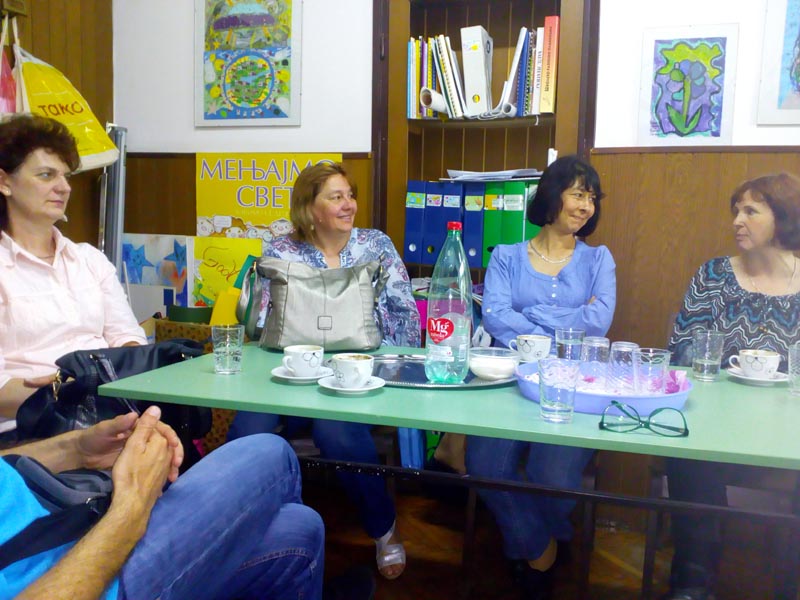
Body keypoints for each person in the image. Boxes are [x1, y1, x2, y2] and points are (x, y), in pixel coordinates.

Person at [228, 162, 420, 580]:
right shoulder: (280, 250)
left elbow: (405, 313)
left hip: (355, 377)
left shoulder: (375, 245)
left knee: (337, 433)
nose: (349, 205)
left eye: (350, 195)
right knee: (246, 431)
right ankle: (240, 536)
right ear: (309, 208)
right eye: (336, 197)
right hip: (288, 376)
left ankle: (383, 529)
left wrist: (383, 364)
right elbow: (258, 325)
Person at [466, 155, 616, 599]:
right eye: (577, 194)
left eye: (592, 198)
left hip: (576, 384)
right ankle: (541, 546)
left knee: (552, 474)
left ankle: (531, 543)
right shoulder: (507, 256)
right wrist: (567, 322)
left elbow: (599, 321)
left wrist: (532, 318)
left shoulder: (599, 259)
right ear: (552, 196)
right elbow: (495, 315)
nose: (586, 206)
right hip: (508, 380)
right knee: (486, 466)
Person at [0, 405, 339, 599]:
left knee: (299, 531)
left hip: (48, 535)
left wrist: (75, 449)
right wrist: (132, 508)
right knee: (269, 452)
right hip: (76, 578)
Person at [665, 173, 800, 600]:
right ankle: (693, 583)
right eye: (736, 211)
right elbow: (680, 350)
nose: (737, 221)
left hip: (788, 428)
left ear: (783, 218)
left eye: (751, 211)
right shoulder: (714, 274)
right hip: (716, 421)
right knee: (688, 452)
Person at [0, 115, 147, 439]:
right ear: (4, 182)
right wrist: (65, 391)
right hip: (27, 432)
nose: (64, 187)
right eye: (46, 175)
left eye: (66, 176)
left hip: (112, 415)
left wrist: (129, 365)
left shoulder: (89, 260)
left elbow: (128, 338)